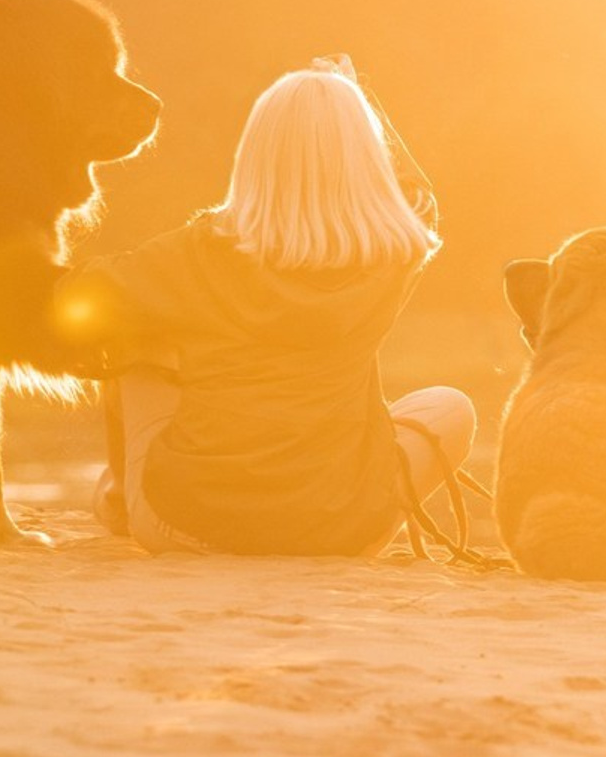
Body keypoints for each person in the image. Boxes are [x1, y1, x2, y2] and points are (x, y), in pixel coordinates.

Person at [54, 55, 476, 556]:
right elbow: (420, 195)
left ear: (255, 153)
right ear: (365, 155)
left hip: (186, 530)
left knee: (136, 323)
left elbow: (77, 301)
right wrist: (356, 98)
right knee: (452, 407)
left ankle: (124, 495)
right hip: (340, 535)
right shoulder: (394, 255)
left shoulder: (196, 253)